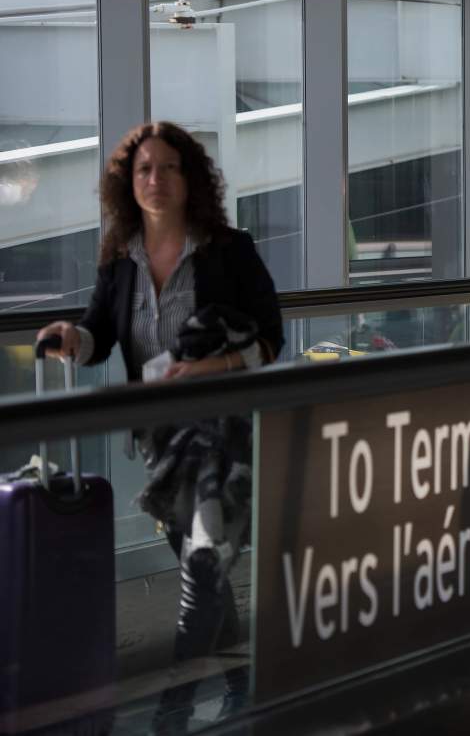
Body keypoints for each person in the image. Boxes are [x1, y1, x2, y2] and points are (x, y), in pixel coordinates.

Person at [36, 121, 283, 734]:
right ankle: (245, 694)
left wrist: (208, 366)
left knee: (201, 571)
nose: (155, 179)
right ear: (129, 184)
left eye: (168, 167)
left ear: (189, 177)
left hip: (222, 439)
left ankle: (168, 717)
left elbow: (270, 343)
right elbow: (99, 336)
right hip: (161, 445)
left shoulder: (228, 250)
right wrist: (72, 338)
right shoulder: (121, 261)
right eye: (143, 169)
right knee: (211, 577)